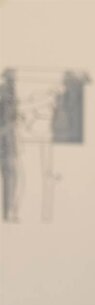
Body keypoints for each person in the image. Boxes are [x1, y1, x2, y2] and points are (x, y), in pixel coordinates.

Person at [0, 69, 20, 222]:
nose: (13, 81)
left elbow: (13, 118)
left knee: (12, 177)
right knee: (10, 176)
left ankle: (8, 212)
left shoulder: (11, 94)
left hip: (9, 144)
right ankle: (7, 213)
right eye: (11, 78)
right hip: (4, 143)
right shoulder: (4, 93)